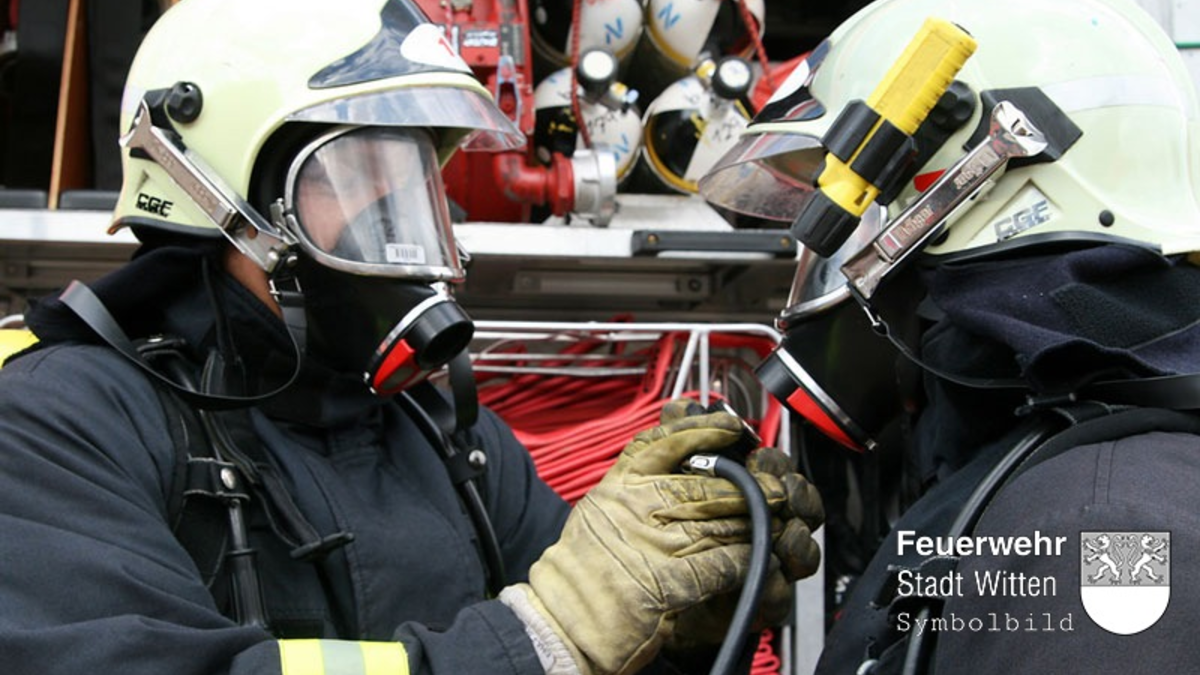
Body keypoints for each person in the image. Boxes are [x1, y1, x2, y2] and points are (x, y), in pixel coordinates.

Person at [0, 0, 826, 673]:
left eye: (411, 188)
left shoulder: (449, 435)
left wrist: (674, 634)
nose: (397, 231)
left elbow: (586, 643)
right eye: (359, 177)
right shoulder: (54, 427)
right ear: (216, 196)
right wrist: (542, 639)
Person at [698, 0, 1200, 672]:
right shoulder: (1049, 475)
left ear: (972, 184)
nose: (831, 270)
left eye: (859, 219)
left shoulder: (1105, 526)